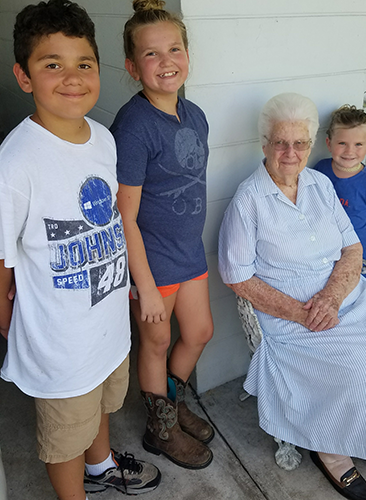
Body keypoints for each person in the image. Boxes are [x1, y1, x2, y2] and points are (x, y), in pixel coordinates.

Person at [218, 93, 366, 500]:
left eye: (300, 143)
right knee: (355, 375)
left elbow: (353, 249)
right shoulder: (248, 200)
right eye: (280, 143)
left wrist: (332, 299)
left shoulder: (320, 184)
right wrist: (303, 313)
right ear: (264, 144)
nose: (290, 152)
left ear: (310, 145)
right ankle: (332, 451)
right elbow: (238, 278)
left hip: (345, 300)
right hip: (290, 314)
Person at [0, 1, 161, 499]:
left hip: (106, 324)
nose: (71, 78)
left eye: (83, 63)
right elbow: (3, 258)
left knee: (104, 405)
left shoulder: (105, 139)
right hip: (59, 342)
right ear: (24, 77)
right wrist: (6, 318)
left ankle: (103, 467)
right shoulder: (17, 162)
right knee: (65, 436)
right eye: (52, 64)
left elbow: (110, 219)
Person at [110, 0, 214, 470]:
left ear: (188, 54)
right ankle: (161, 428)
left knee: (199, 332)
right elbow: (123, 216)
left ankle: (170, 403)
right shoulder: (133, 127)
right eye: (151, 54)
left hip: (188, 252)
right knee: (153, 343)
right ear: (133, 67)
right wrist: (144, 285)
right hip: (152, 261)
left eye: (174, 49)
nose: (166, 61)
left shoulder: (195, 115)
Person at [314, 105, 366, 282]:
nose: (349, 151)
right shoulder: (319, 170)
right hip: (321, 260)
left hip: (356, 265)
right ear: (329, 143)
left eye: (358, 144)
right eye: (342, 143)